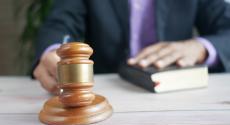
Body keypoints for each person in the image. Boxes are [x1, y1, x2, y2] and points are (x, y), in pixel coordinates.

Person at [33, 0, 230, 94]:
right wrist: (54, 52)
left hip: (179, 94)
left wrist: (201, 48)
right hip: (106, 90)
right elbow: (60, 23)